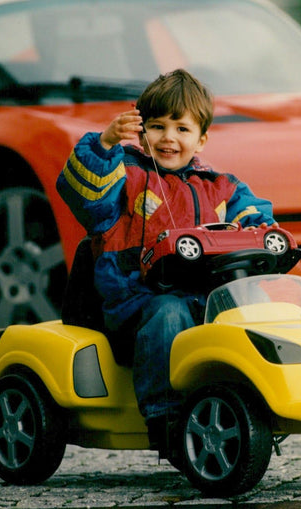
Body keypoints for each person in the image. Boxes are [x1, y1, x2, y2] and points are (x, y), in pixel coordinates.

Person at [56, 69, 276, 457]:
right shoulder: (124, 175)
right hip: (137, 305)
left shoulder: (220, 186)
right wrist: (104, 145)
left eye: (181, 128)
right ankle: (166, 421)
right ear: (141, 133)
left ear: (202, 138)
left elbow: (255, 214)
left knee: (259, 309)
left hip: (206, 303)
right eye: (157, 126)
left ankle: (263, 401)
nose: (169, 138)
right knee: (168, 312)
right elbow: (85, 198)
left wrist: (262, 230)